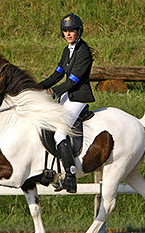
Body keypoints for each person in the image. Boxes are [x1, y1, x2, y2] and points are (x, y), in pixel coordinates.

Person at [39, 13, 95, 193]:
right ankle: (55, 171)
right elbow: (57, 75)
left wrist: (54, 91)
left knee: (60, 134)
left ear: (79, 31)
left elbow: (73, 80)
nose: (68, 34)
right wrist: (35, 87)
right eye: (65, 31)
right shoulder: (66, 51)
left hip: (78, 97)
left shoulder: (84, 51)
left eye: (72, 31)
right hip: (67, 96)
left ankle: (70, 176)